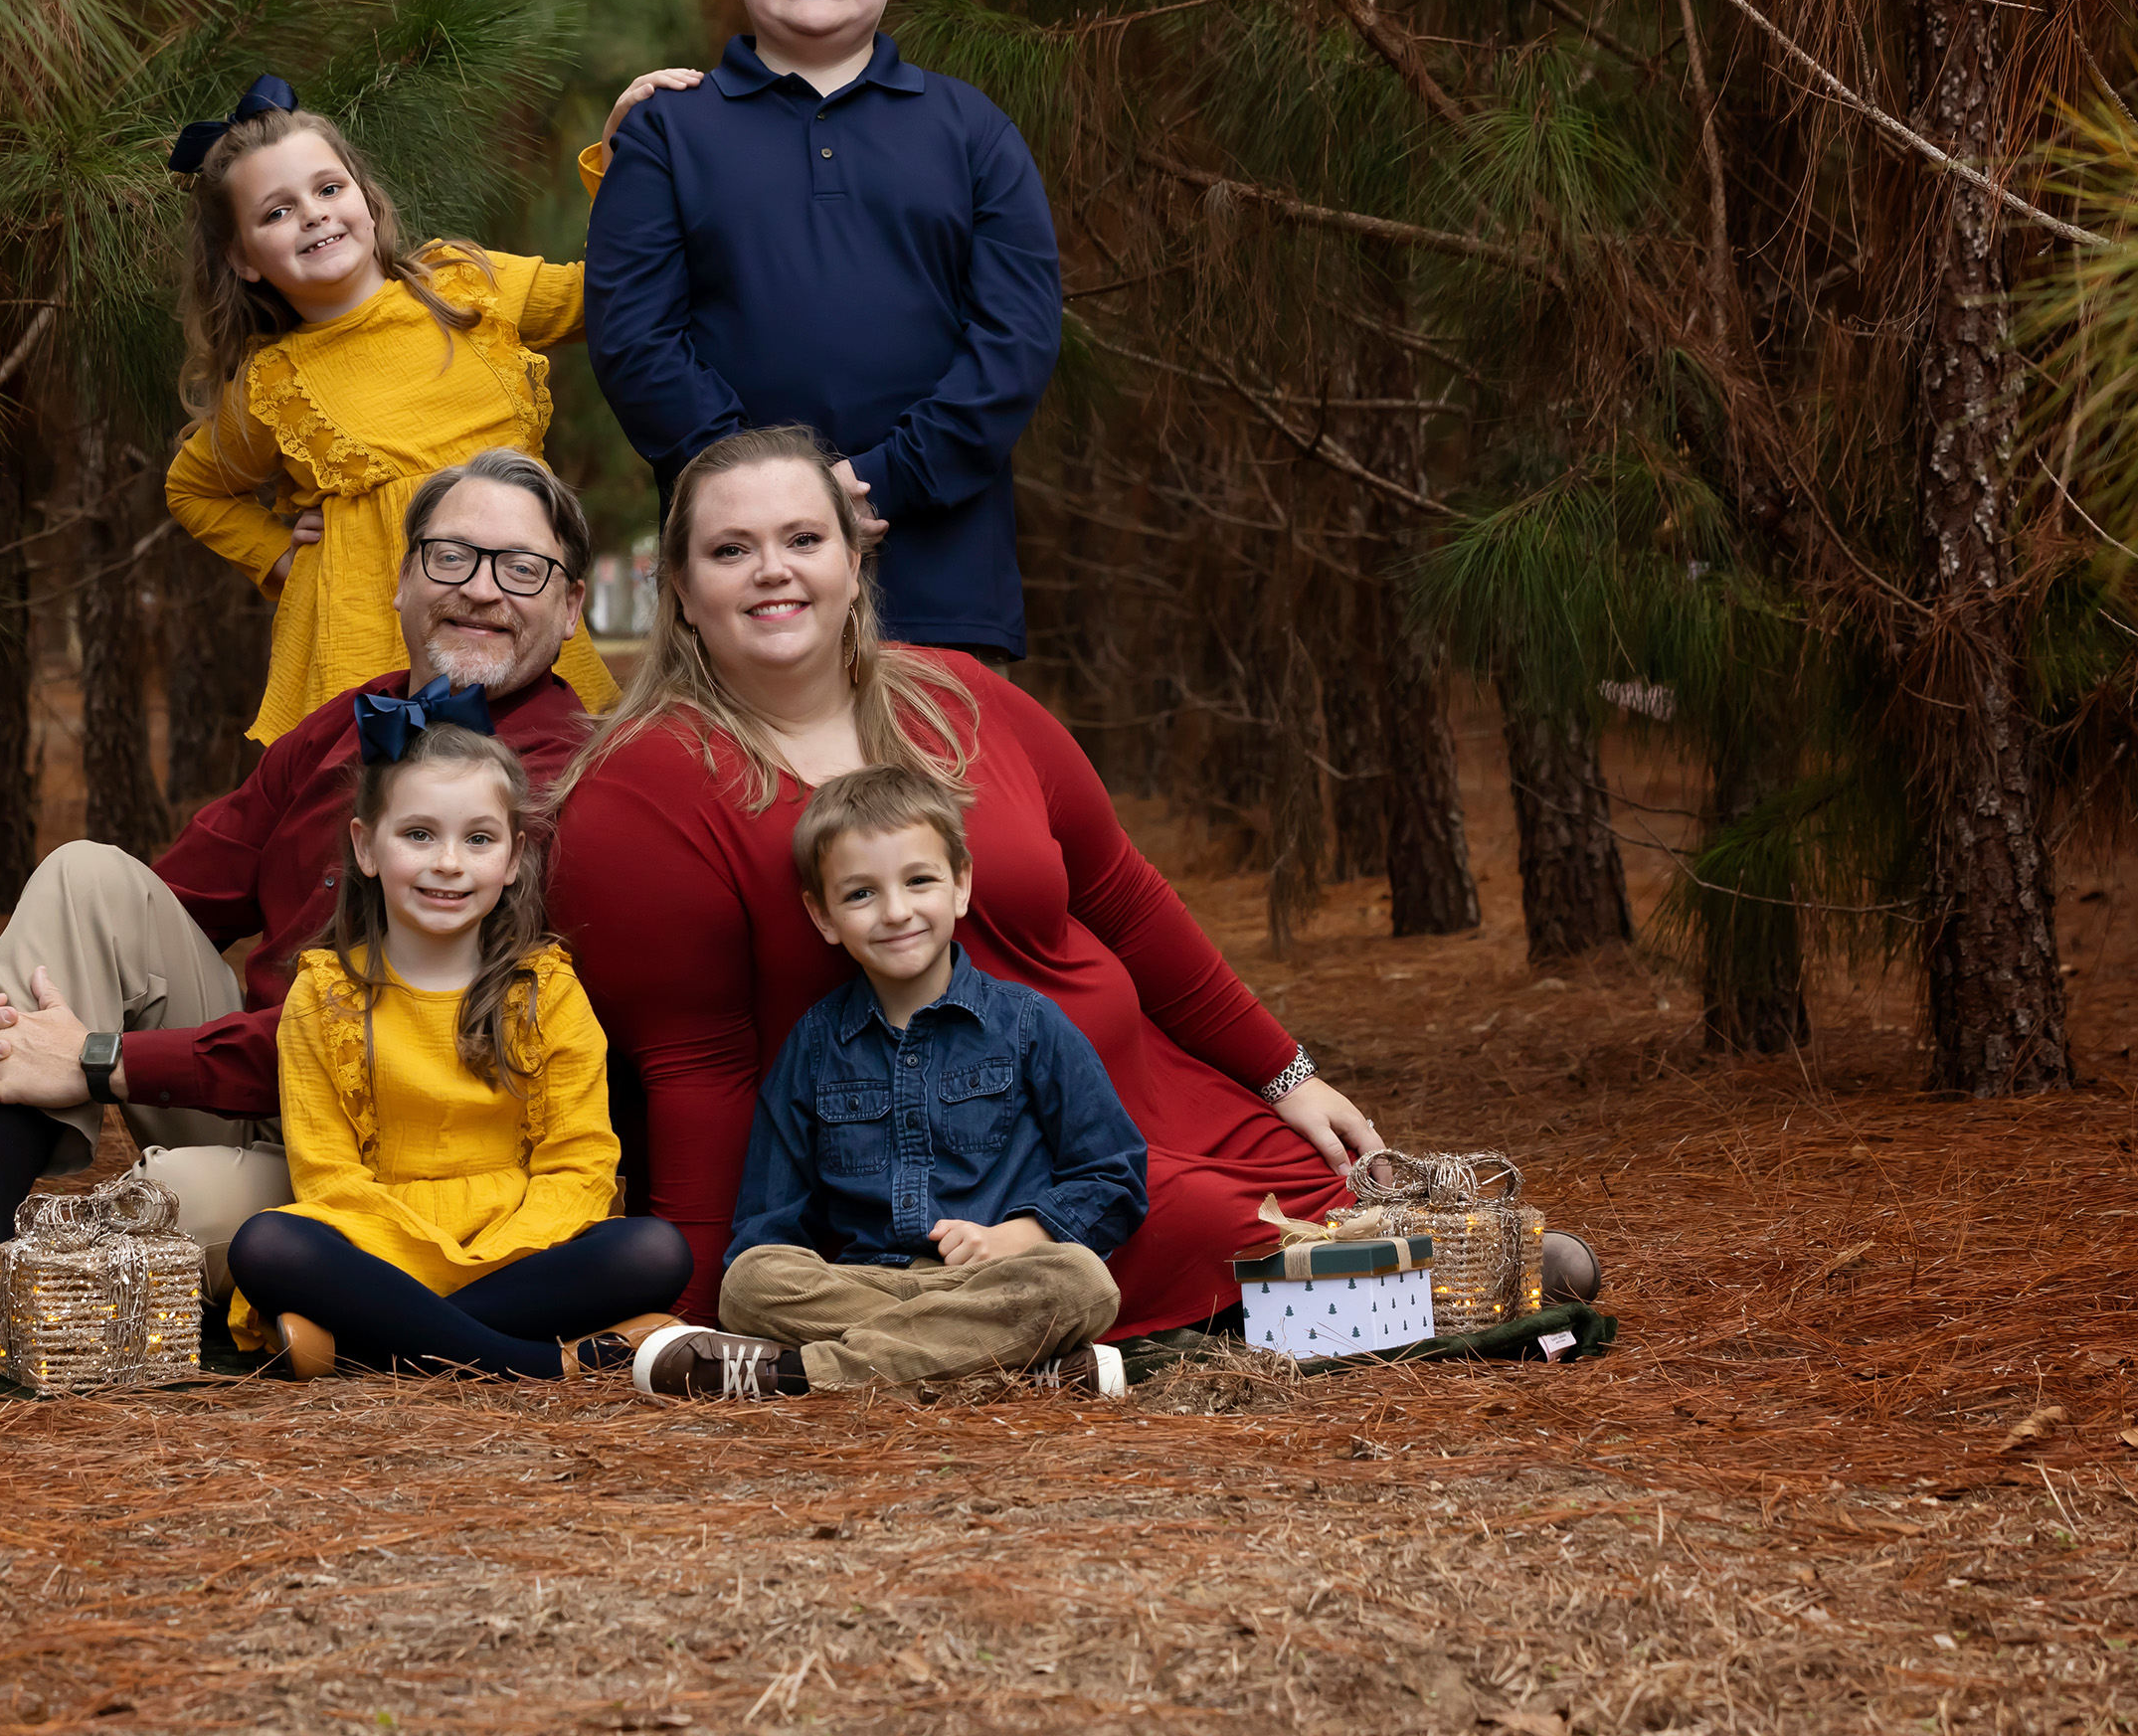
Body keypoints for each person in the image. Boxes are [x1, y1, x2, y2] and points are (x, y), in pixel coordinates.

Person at [551, 424, 1384, 1341]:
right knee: (1227, 1237)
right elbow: (695, 1072)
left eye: (802, 539)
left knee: (1353, 1195)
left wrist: (1283, 1075)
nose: (771, 571)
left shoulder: (961, 697)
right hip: (952, 1173)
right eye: (729, 550)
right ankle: (1357, 1292)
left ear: (853, 553)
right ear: (679, 587)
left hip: (1146, 1098)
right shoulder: (642, 791)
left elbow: (1122, 897)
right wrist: (698, 1306)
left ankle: (1395, 1276)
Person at [0, 448, 601, 1353]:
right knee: (85, 876)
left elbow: (386, 1029)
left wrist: (99, 1059)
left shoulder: (574, 782)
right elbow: (156, 903)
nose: (480, 589)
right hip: (253, 1099)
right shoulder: (345, 723)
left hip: (397, 1164)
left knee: (180, 1191)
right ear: (402, 580)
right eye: (449, 556)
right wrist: (30, 1028)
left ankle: (3, 1240)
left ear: (570, 605)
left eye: (522, 568)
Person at [580, 0, 1061, 660]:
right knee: (748, 792)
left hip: (936, 578)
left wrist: (877, 482)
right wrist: (766, 505)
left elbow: (1014, 343)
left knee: (928, 792)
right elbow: (634, 339)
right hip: (739, 580)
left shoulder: (971, 130)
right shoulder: (666, 135)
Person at [633, 765, 1147, 1401]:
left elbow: (1115, 1173)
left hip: (995, 1281)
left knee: (1079, 1282)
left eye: (919, 881)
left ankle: (797, 1376)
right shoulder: (816, 1046)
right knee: (749, 1283)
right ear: (822, 916)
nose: (896, 911)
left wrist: (1021, 1235)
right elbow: (770, 1225)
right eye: (860, 894)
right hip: (862, 1283)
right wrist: (778, 1273)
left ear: (960, 886)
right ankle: (1013, 1370)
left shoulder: (1029, 1025)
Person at [163, 75, 624, 743]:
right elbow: (192, 488)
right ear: (242, 258)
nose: (313, 214)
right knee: (388, 824)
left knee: (553, 799)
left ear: (366, 199)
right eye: (275, 212)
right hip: (367, 650)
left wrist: (617, 161)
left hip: (516, 610)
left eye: (328, 189)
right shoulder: (274, 384)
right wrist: (279, 555)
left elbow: (606, 293)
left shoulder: (464, 287)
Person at [224, 722, 691, 1381]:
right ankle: (539, 1364)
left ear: (511, 858)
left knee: (651, 1250)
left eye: (477, 839)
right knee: (269, 1245)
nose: (448, 862)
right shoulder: (323, 996)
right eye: (418, 835)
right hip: (376, 1243)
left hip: (522, 1246)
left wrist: (496, 1251)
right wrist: (426, 1257)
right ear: (365, 846)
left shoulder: (547, 991)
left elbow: (579, 1162)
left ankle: (361, 1346)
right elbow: (326, 1174)